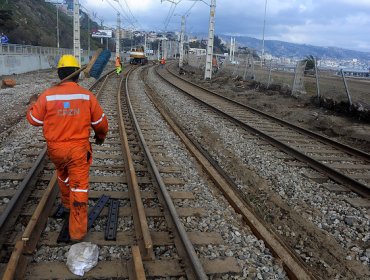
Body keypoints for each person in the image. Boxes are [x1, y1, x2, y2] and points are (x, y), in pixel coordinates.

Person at [26, 54, 108, 242]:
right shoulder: (86, 96)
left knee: (63, 176)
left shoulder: (48, 95)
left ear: (59, 74)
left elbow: (34, 120)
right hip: (78, 151)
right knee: (79, 188)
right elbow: (101, 122)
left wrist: (32, 105)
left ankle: (66, 205)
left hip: (56, 151)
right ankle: (77, 234)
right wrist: (100, 136)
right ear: (77, 75)